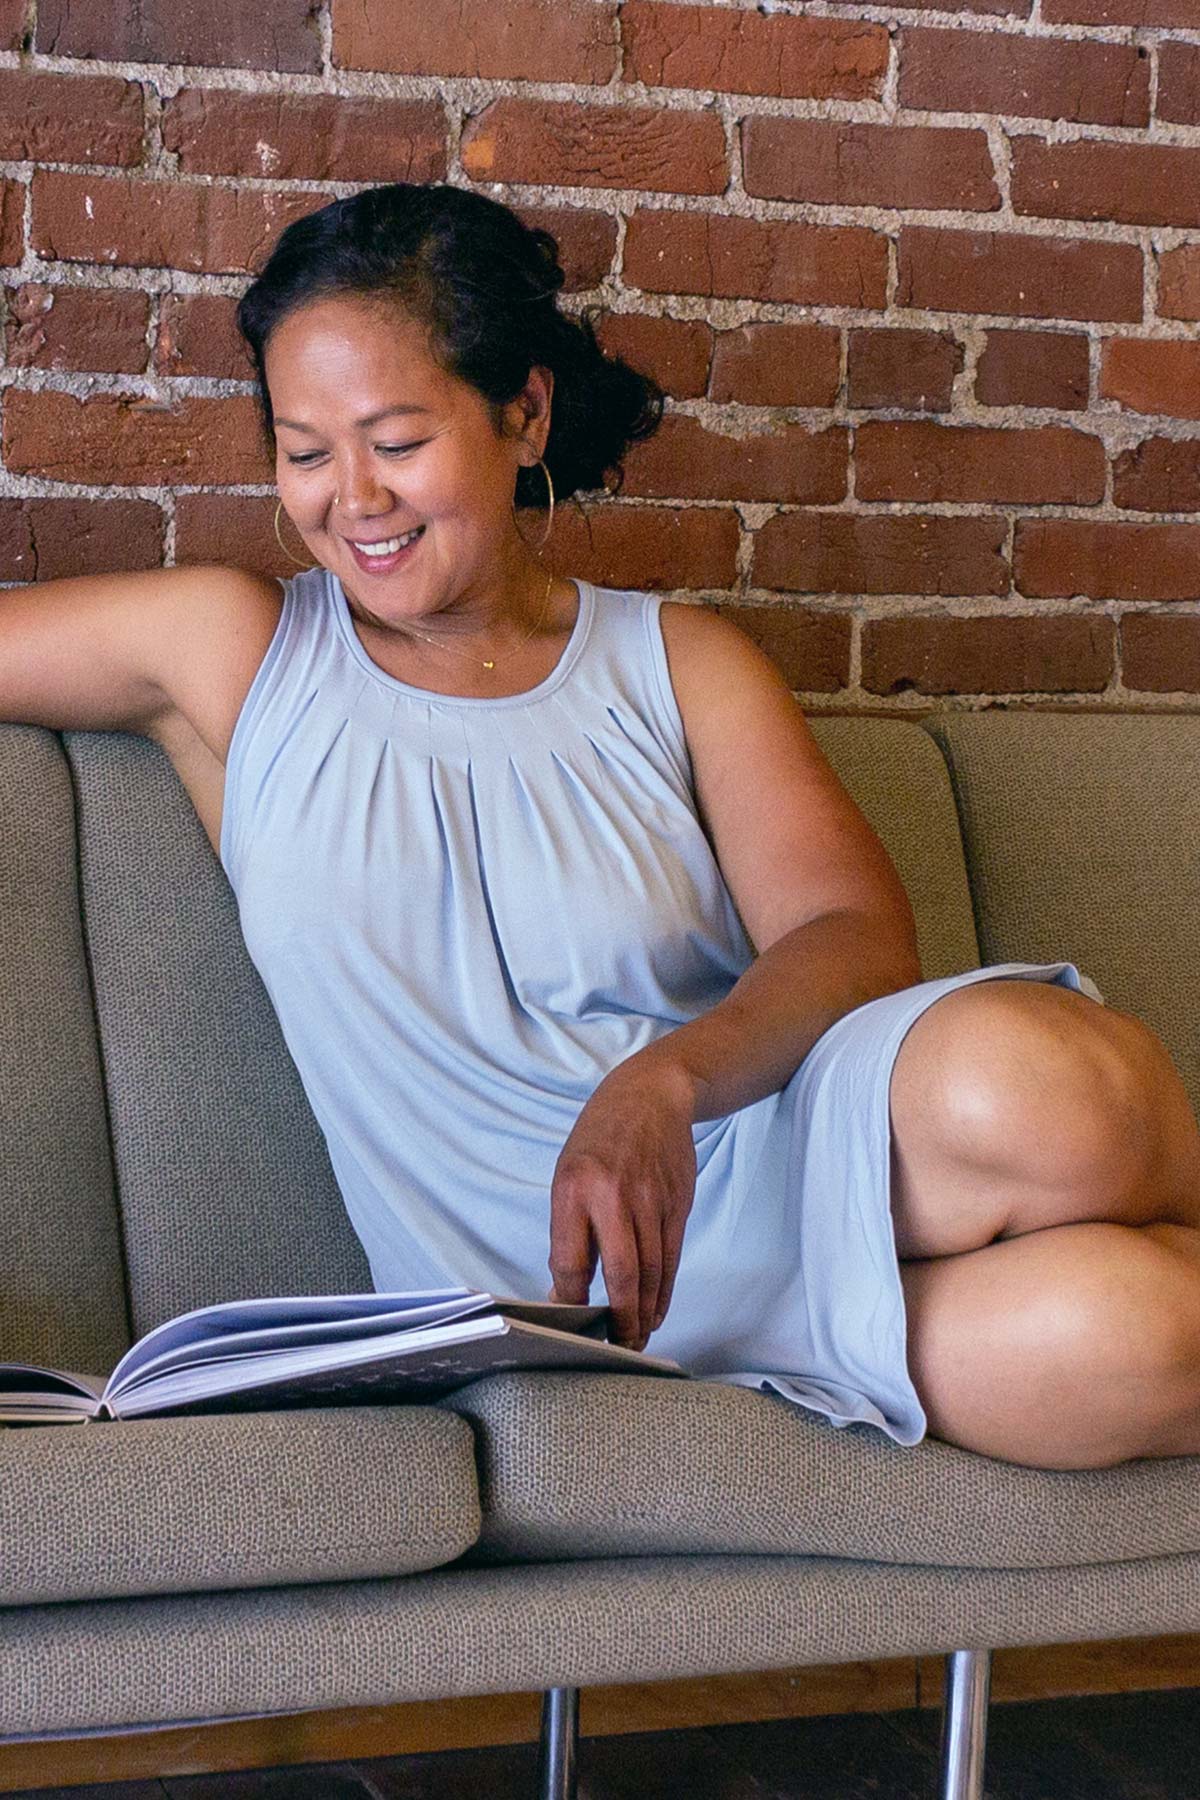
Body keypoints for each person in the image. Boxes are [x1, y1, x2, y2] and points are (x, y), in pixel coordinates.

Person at [5, 182, 1200, 1471]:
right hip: (547, 1300)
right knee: (1142, 1335)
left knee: (1058, 1086)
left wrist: (667, 1081)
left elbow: (853, 933)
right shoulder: (231, 651)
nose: (353, 499)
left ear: (523, 414)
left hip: (745, 1149)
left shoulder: (677, 664)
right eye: (306, 452)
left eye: (396, 441)